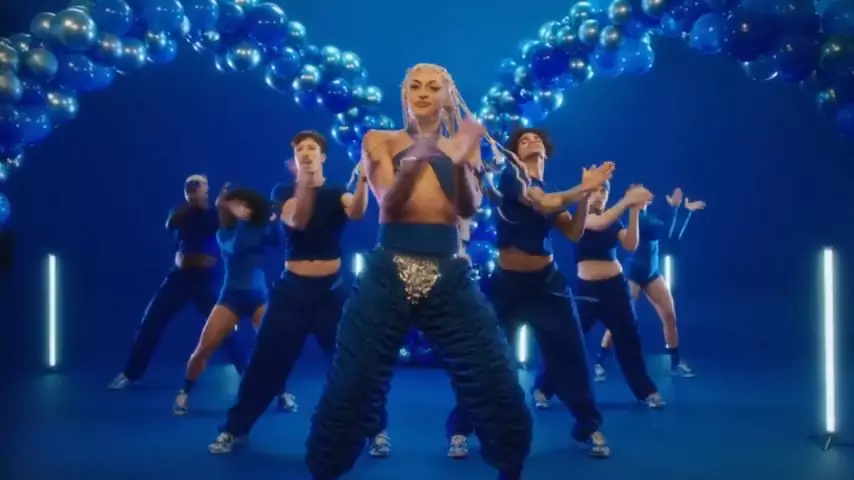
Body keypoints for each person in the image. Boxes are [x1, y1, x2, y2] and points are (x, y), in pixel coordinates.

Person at [304, 63, 532, 480]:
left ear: (448, 96)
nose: (424, 92)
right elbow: (389, 204)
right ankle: (326, 468)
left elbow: (467, 208)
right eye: (415, 86)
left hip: (448, 271)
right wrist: (421, 155)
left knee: (492, 374)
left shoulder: (462, 145)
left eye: (433, 87)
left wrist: (459, 163)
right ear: (404, 94)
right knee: (353, 381)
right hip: (389, 270)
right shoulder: (379, 140)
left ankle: (510, 465)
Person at [444, 128, 614, 459]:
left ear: (546, 151)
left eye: (536, 139)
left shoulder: (551, 188)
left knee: (571, 357)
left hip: (547, 286)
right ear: (515, 153)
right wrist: (584, 187)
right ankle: (461, 428)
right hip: (506, 287)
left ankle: (588, 426)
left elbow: (573, 232)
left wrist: (584, 197)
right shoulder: (512, 177)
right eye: (523, 140)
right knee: (484, 358)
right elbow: (544, 203)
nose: (531, 141)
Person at [208, 130, 369, 454]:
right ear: (294, 159)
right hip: (292, 292)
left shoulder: (338, 190)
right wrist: (304, 182)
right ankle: (234, 429)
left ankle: (375, 430)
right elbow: (297, 219)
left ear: (323, 156)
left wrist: (365, 178)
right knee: (266, 362)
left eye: (312, 148)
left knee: (351, 361)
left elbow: (356, 211)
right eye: (300, 150)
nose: (306, 152)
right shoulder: (283, 192)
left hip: (331, 294)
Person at [532, 182, 666, 409]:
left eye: (603, 191)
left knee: (629, 341)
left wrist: (634, 211)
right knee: (567, 341)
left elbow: (630, 244)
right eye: (595, 190)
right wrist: (628, 200)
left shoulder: (614, 220)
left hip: (615, 289)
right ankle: (542, 389)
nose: (599, 195)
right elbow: (598, 223)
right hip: (588, 292)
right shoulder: (579, 218)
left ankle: (647, 392)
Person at [108, 175, 242, 390]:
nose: (194, 190)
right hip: (179, 278)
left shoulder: (213, 216)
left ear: (206, 191)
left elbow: (217, 224)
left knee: (224, 327)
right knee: (151, 321)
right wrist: (213, 204)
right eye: (190, 187)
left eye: (199, 186)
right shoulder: (179, 213)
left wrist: (222, 204)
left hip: (205, 281)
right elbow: (173, 223)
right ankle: (130, 374)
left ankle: (249, 374)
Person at [172, 185, 284, 415]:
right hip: (231, 297)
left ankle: (282, 394)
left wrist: (277, 220)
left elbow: (279, 239)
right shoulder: (224, 233)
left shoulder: (260, 229)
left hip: (259, 296)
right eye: (236, 205)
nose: (241, 208)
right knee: (204, 348)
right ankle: (184, 393)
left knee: (273, 349)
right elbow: (237, 247)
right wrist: (236, 214)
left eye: (245, 204)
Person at [595, 188, 705, 380]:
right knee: (621, 319)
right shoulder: (634, 218)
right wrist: (675, 209)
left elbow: (672, 237)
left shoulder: (650, 216)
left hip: (652, 273)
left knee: (669, 315)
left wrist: (685, 212)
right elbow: (661, 232)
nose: (648, 194)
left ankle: (675, 363)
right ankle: (599, 362)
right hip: (633, 274)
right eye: (642, 192)